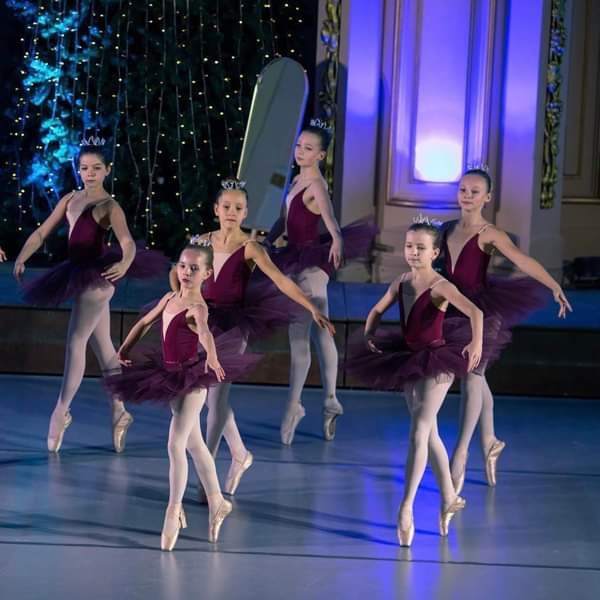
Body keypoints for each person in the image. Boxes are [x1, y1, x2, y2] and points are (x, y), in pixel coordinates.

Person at [172, 178, 335, 500]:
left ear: (246, 212)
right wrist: (179, 298)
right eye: (226, 206)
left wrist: (311, 307)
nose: (232, 212)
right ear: (216, 209)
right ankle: (240, 453)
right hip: (203, 322)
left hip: (235, 324)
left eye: (238, 207)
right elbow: (179, 272)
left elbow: (281, 281)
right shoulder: (201, 242)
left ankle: (207, 477)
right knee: (206, 397)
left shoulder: (251, 248)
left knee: (216, 398)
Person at [347, 218, 504, 546]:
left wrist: (476, 344)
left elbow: (475, 313)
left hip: (438, 360)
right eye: (409, 246)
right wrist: (369, 333)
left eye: (421, 248)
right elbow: (377, 310)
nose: (414, 252)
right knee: (429, 433)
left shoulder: (440, 286)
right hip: (408, 357)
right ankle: (449, 497)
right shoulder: (401, 281)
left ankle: (406, 508)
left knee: (419, 430)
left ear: (435, 253)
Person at [13, 139, 169, 453]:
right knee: (104, 347)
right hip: (76, 271)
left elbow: (127, 242)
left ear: (108, 170)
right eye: (84, 168)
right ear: (78, 170)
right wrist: (22, 256)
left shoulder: (109, 206)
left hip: (99, 277)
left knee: (76, 340)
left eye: (97, 168)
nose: (90, 173)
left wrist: (125, 262)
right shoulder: (71, 199)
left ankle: (61, 411)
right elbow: (42, 232)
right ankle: (120, 411)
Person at [106, 243, 260, 549]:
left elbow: (204, 333)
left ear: (207, 274)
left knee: (175, 443)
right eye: (183, 265)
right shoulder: (169, 298)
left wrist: (212, 357)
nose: (187, 272)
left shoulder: (198, 307)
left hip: (192, 382)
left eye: (194, 268)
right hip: (169, 374)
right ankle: (218, 501)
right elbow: (144, 322)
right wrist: (124, 347)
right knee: (195, 444)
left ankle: (173, 511)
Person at [442, 168, 572, 494]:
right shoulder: (446, 229)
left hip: (484, 311)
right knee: (476, 377)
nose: (467, 195)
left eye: (474, 191)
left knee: (472, 375)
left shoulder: (490, 234)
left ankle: (461, 454)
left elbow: (522, 260)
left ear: (487, 197)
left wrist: (553, 285)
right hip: (453, 308)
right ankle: (490, 441)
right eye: (463, 189)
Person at [265, 119, 376, 445]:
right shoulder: (297, 180)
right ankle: (329, 400)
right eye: (299, 146)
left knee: (301, 333)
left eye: (308, 148)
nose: (300, 151)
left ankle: (295, 405)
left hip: (311, 262)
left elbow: (329, 217)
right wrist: (267, 240)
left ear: (321, 155)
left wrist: (338, 238)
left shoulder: (315, 185)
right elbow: (285, 220)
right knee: (318, 331)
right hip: (294, 258)